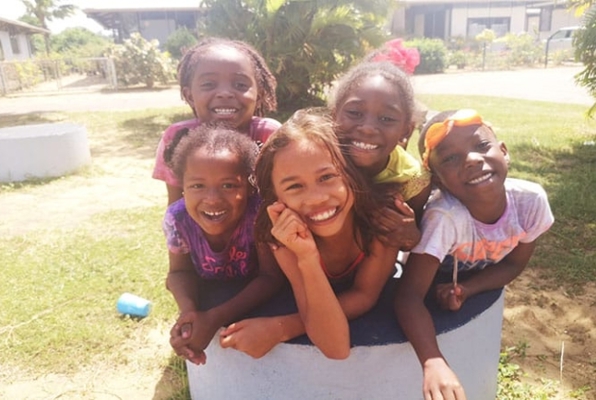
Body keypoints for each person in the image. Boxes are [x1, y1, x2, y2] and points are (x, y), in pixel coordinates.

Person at [394, 109, 554, 399]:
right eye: (450, 158)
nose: (471, 159)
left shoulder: (531, 203)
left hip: (464, 278)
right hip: (427, 274)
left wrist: (467, 288)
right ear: (438, 180)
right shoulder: (446, 217)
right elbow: (407, 295)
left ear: (503, 152)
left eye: (482, 146)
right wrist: (433, 361)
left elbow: (515, 263)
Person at [218, 109, 400, 359]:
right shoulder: (284, 238)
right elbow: (334, 346)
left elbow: (364, 295)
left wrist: (280, 328)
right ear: (277, 199)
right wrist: (306, 258)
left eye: (327, 177)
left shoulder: (382, 220)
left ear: (351, 174)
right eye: (294, 186)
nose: (317, 199)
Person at [163, 124, 284, 365]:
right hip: (210, 293)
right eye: (197, 185)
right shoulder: (178, 219)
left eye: (228, 185)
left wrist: (215, 317)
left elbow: (271, 277)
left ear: (249, 188)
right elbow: (178, 272)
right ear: (183, 187)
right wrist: (189, 313)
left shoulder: (259, 213)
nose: (212, 199)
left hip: (257, 298)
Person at [153, 37, 280, 205]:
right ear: (189, 95)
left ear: (260, 95)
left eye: (240, 85)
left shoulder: (270, 136)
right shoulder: (178, 138)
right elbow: (176, 209)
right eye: (209, 84)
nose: (225, 93)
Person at [328, 59, 432, 250]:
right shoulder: (317, 159)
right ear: (333, 116)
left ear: (406, 131)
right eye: (354, 113)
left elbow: (410, 236)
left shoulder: (413, 180)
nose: (368, 129)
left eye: (386, 118)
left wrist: (410, 235)